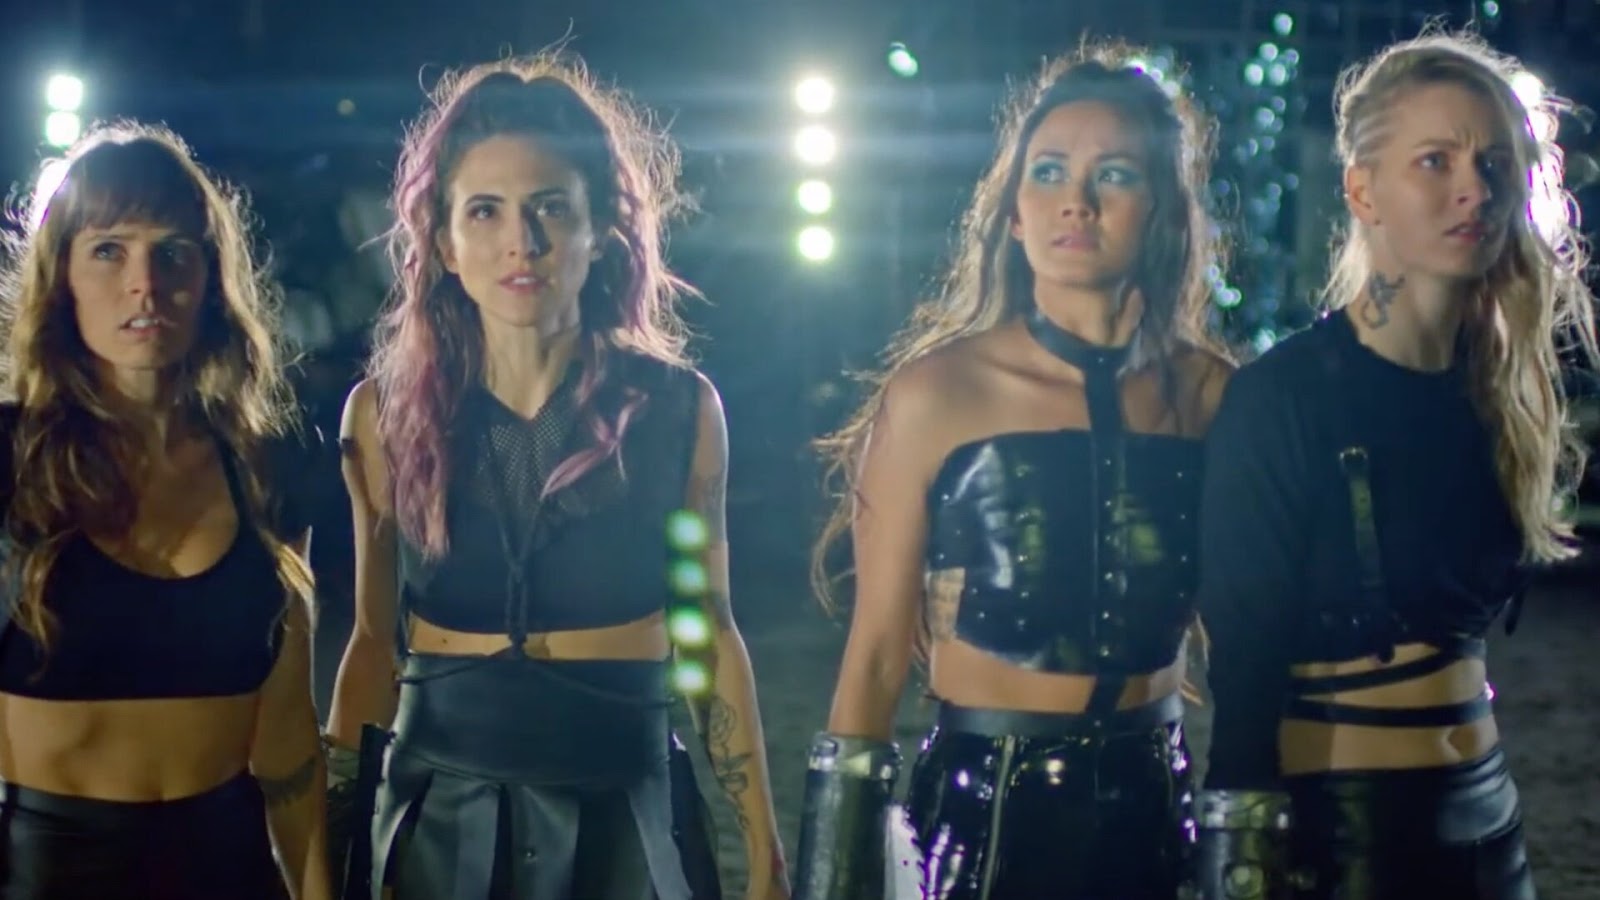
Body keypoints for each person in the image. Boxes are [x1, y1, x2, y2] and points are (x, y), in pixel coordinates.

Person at [322, 55, 788, 900]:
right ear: (443, 241)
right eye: (486, 211)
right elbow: (371, 642)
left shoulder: (678, 412)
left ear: (601, 226)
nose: (522, 242)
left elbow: (709, 632)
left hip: (625, 820)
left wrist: (764, 852)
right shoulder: (383, 418)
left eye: (551, 208)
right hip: (438, 824)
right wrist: (329, 852)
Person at [796, 43, 1234, 900]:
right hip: (984, 816)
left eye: (1114, 175)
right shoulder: (936, 393)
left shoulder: (1209, 395)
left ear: (1162, 209)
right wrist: (831, 877)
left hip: (1155, 810)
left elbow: (1249, 637)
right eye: (1049, 171)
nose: (1076, 200)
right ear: (1014, 214)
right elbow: (877, 656)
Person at [1194, 30, 1597, 900]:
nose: (1473, 188)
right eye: (1434, 161)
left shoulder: (1498, 389)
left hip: (1491, 821)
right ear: (1361, 190)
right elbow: (1244, 658)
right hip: (1348, 835)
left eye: (1493, 163)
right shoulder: (1285, 399)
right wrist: (1241, 852)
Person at [0, 123, 330, 899]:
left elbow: (288, 748)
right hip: (51, 869)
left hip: (229, 865)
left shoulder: (265, 465)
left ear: (210, 280)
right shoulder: (12, 459)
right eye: (109, 250)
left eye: (173, 252)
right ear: (63, 277)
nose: (144, 284)